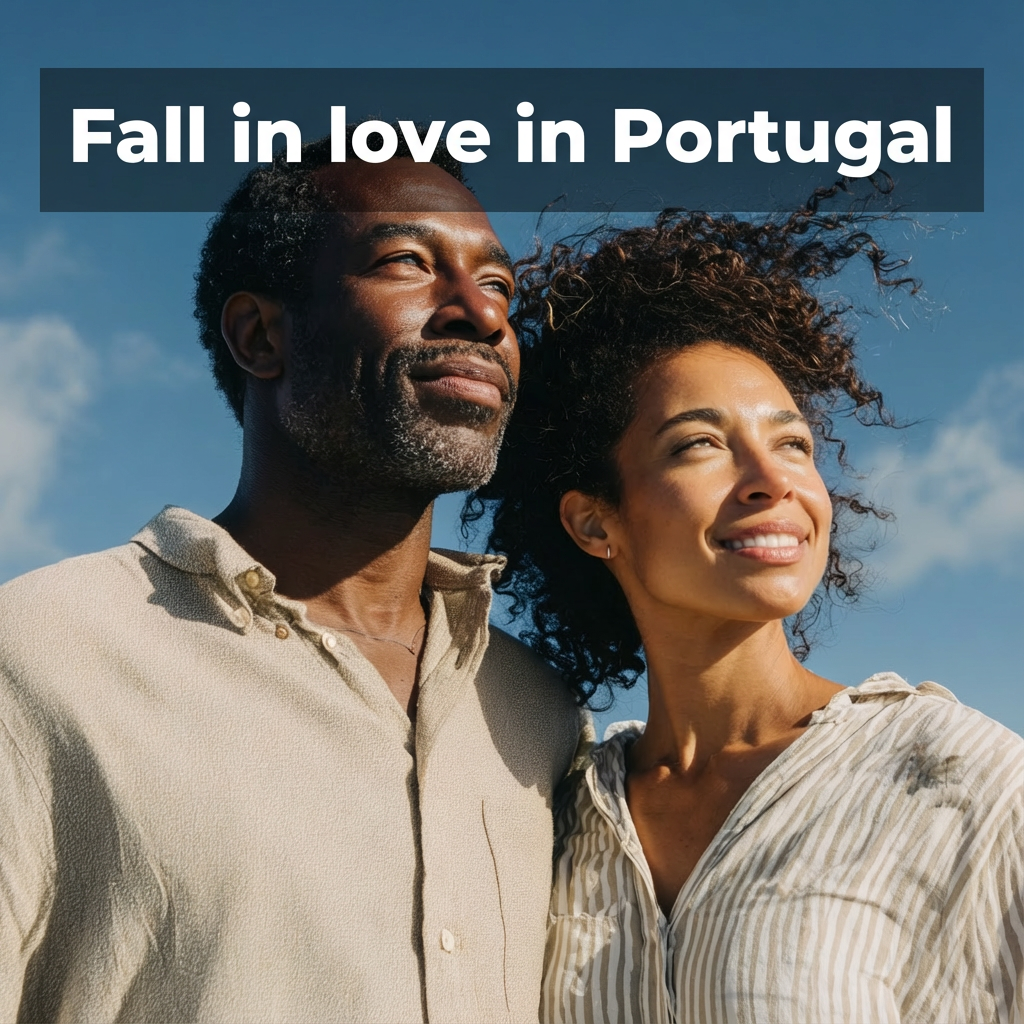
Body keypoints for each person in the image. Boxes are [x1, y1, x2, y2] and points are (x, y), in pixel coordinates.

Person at [0, 130, 580, 1023]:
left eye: (498, 284)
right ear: (260, 334)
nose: (484, 314)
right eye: (406, 263)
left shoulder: (540, 716)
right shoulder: (39, 652)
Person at [472, 199, 1024, 1023]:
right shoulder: (564, 813)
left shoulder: (960, 776)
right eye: (700, 443)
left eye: (794, 442)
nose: (774, 479)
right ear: (595, 522)